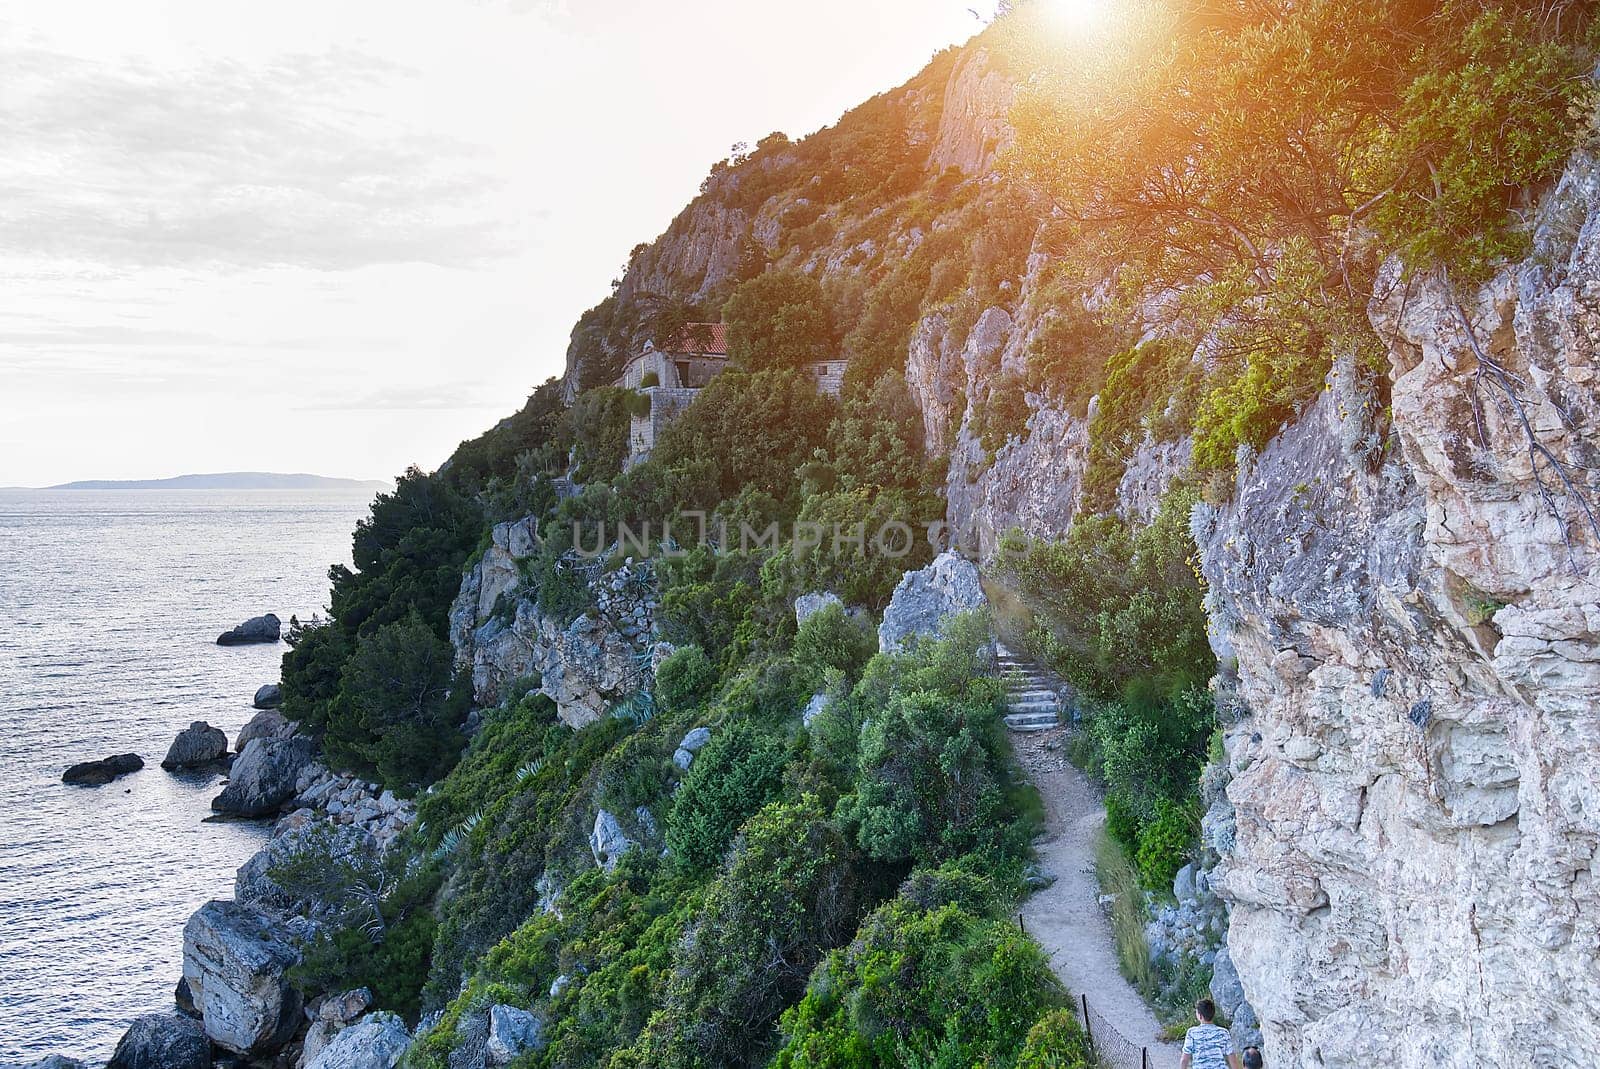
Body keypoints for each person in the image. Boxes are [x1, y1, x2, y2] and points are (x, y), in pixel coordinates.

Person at [1179, 999, 1242, 1069]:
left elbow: (1184, 1060)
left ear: (1200, 1016)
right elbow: (1232, 1058)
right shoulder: (1223, 1033)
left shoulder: (1192, 1033)